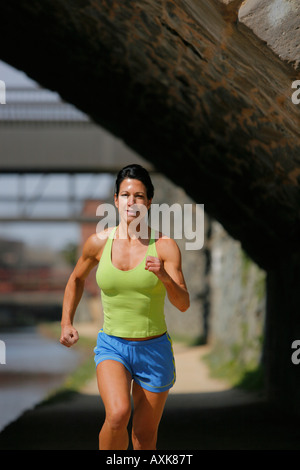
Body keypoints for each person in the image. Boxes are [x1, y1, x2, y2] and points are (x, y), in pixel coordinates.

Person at [60, 164, 190, 450]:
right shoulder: (97, 243)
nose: (132, 202)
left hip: (154, 349)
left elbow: (183, 303)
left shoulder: (165, 246)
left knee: (144, 437)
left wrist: (164, 277)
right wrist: (66, 322)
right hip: (113, 346)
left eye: (140, 196)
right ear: (116, 200)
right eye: (126, 195)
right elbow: (76, 279)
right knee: (118, 414)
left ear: (149, 202)